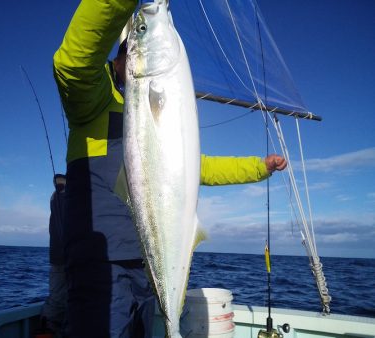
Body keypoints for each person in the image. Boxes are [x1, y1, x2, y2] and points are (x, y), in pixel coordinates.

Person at [52, 1, 287, 337]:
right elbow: (73, 63)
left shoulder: (163, 103)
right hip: (101, 264)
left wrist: (257, 167)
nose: (132, 54)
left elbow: (195, 168)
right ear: (121, 60)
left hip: (150, 265)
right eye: (127, 49)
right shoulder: (90, 100)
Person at [41, 174, 67, 337]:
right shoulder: (71, 197)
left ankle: (46, 330)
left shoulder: (54, 198)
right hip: (72, 258)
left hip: (56, 259)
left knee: (56, 298)